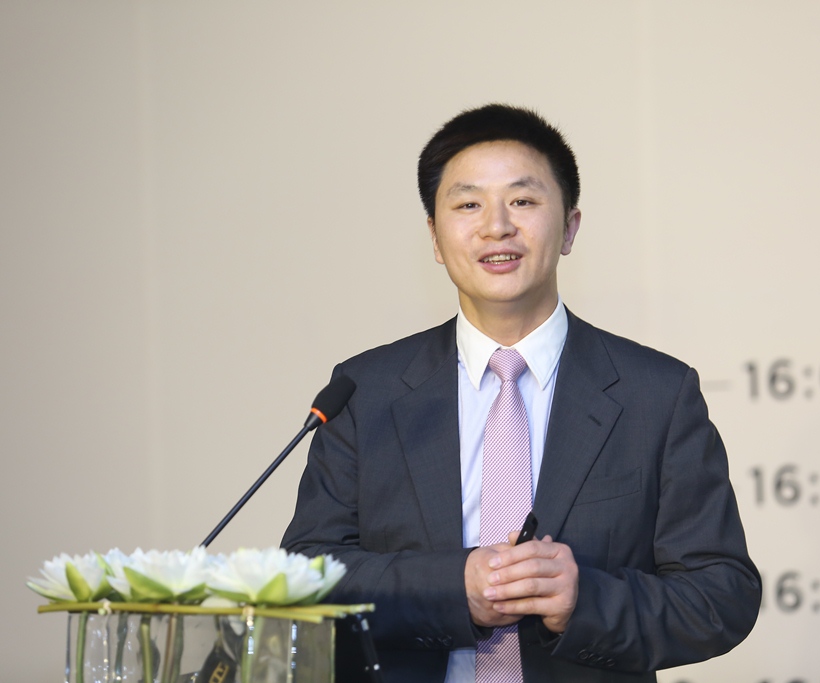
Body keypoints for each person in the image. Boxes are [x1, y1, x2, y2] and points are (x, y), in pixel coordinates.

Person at [281, 104, 761, 682]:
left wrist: (585, 601)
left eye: (523, 201)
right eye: (468, 205)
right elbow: (307, 570)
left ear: (570, 228)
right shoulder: (366, 393)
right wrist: (451, 587)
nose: (496, 227)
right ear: (435, 238)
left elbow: (721, 594)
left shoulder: (656, 394)